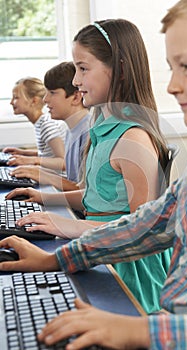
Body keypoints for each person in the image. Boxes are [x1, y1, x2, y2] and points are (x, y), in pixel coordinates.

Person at [1, 0, 187, 348]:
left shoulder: (134, 138)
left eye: (186, 66)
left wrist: (137, 330)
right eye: (172, 68)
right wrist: (55, 259)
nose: (171, 86)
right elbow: (147, 224)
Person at [5, 18, 172, 314]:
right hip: (98, 245)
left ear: (119, 68)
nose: (75, 81)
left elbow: (143, 231)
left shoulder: (133, 138)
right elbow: (93, 196)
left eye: (83, 68)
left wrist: (69, 225)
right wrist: (45, 198)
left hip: (128, 271)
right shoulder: (103, 124)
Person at [9, 62, 91, 191]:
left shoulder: (88, 132)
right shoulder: (72, 129)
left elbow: (87, 192)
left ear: (75, 97)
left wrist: (40, 172)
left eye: (52, 93)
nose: (45, 99)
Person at [3, 77, 67, 171]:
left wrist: (32, 160)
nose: (11, 102)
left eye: (16, 97)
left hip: (55, 181)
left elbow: (64, 162)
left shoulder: (47, 126)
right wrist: (23, 153)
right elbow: (48, 155)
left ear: (34, 101)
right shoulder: (40, 123)